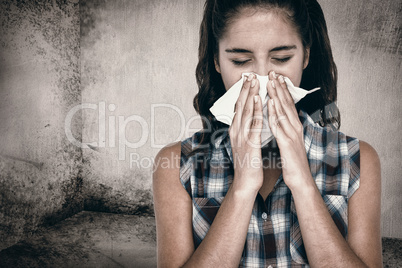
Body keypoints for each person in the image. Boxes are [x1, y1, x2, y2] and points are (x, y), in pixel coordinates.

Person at [153, 0, 382, 267]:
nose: (262, 77)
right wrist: (242, 187)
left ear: (306, 56)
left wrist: (302, 182)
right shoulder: (178, 167)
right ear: (216, 61)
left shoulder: (357, 161)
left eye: (282, 58)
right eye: (240, 60)